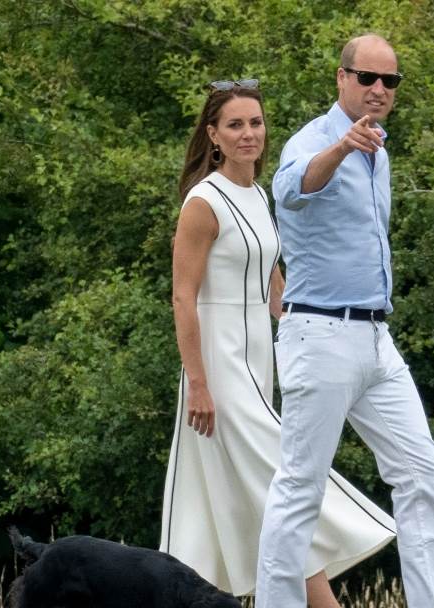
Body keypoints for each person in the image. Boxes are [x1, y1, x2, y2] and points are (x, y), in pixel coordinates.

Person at [160, 78, 396, 607]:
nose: (249, 134)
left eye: (256, 123)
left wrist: (306, 335)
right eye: (235, 125)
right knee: (285, 489)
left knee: (260, 502)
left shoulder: (259, 194)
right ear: (213, 135)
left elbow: (274, 285)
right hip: (218, 367)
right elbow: (182, 297)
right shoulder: (203, 202)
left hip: (258, 362)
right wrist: (198, 383)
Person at [254, 35, 434, 608]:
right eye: (367, 77)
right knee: (301, 486)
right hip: (319, 334)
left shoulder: (379, 152)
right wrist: (343, 146)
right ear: (341, 78)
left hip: (375, 338)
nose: (378, 89)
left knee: (421, 474)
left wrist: (357, 147)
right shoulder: (314, 141)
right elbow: (291, 189)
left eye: (390, 81)